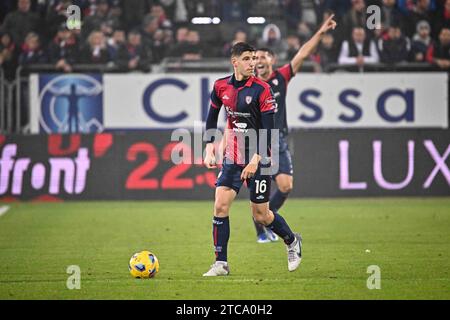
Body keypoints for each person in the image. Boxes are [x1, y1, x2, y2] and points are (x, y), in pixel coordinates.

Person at [202, 42, 302, 277]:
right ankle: (221, 263)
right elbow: (211, 118)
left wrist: (255, 160)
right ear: (234, 61)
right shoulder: (220, 86)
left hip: (259, 157)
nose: (253, 63)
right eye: (247, 58)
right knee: (220, 205)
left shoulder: (262, 89)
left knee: (261, 214)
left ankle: (291, 240)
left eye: (254, 58)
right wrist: (209, 148)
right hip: (233, 157)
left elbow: (269, 131)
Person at [251, 14, 337, 243]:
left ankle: (265, 218)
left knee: (286, 186)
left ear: (272, 59)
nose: (258, 60)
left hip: (278, 140)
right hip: (258, 142)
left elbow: (304, 53)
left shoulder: (281, 77)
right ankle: (262, 227)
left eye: (262, 56)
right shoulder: (251, 85)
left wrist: (321, 31)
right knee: (260, 192)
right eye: (255, 58)